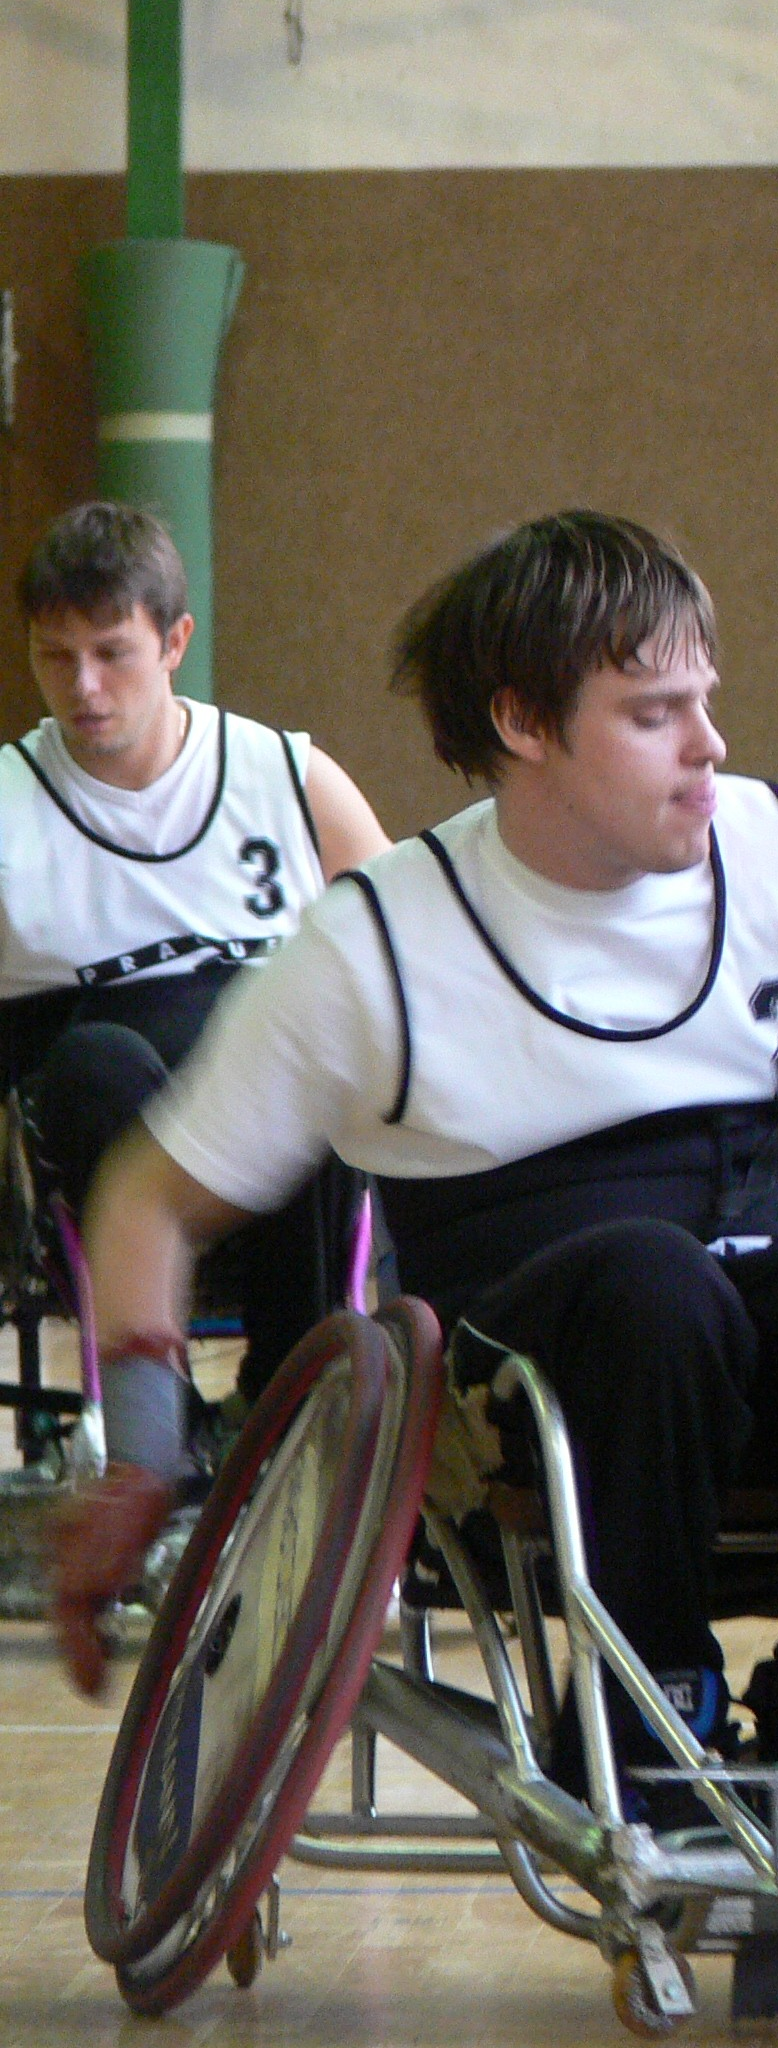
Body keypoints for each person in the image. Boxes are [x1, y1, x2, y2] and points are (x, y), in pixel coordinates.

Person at [54, 512, 778, 1830]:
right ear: (524, 722)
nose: (709, 746)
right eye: (655, 714)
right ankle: (637, 1712)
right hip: (534, 1383)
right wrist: (142, 1456)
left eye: (704, 703)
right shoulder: (376, 941)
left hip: (776, 1335)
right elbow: (153, 1195)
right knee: (655, 1288)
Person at [7, 503, 390, 1413]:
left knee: (322, 1055)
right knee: (97, 1062)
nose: (84, 687)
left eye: (111, 652)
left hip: (274, 1123)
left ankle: (289, 1391)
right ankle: (155, 1404)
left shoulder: (289, 778)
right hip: (104, 1126)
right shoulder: (11, 807)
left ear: (175, 641)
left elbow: (411, 948)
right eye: (55, 656)